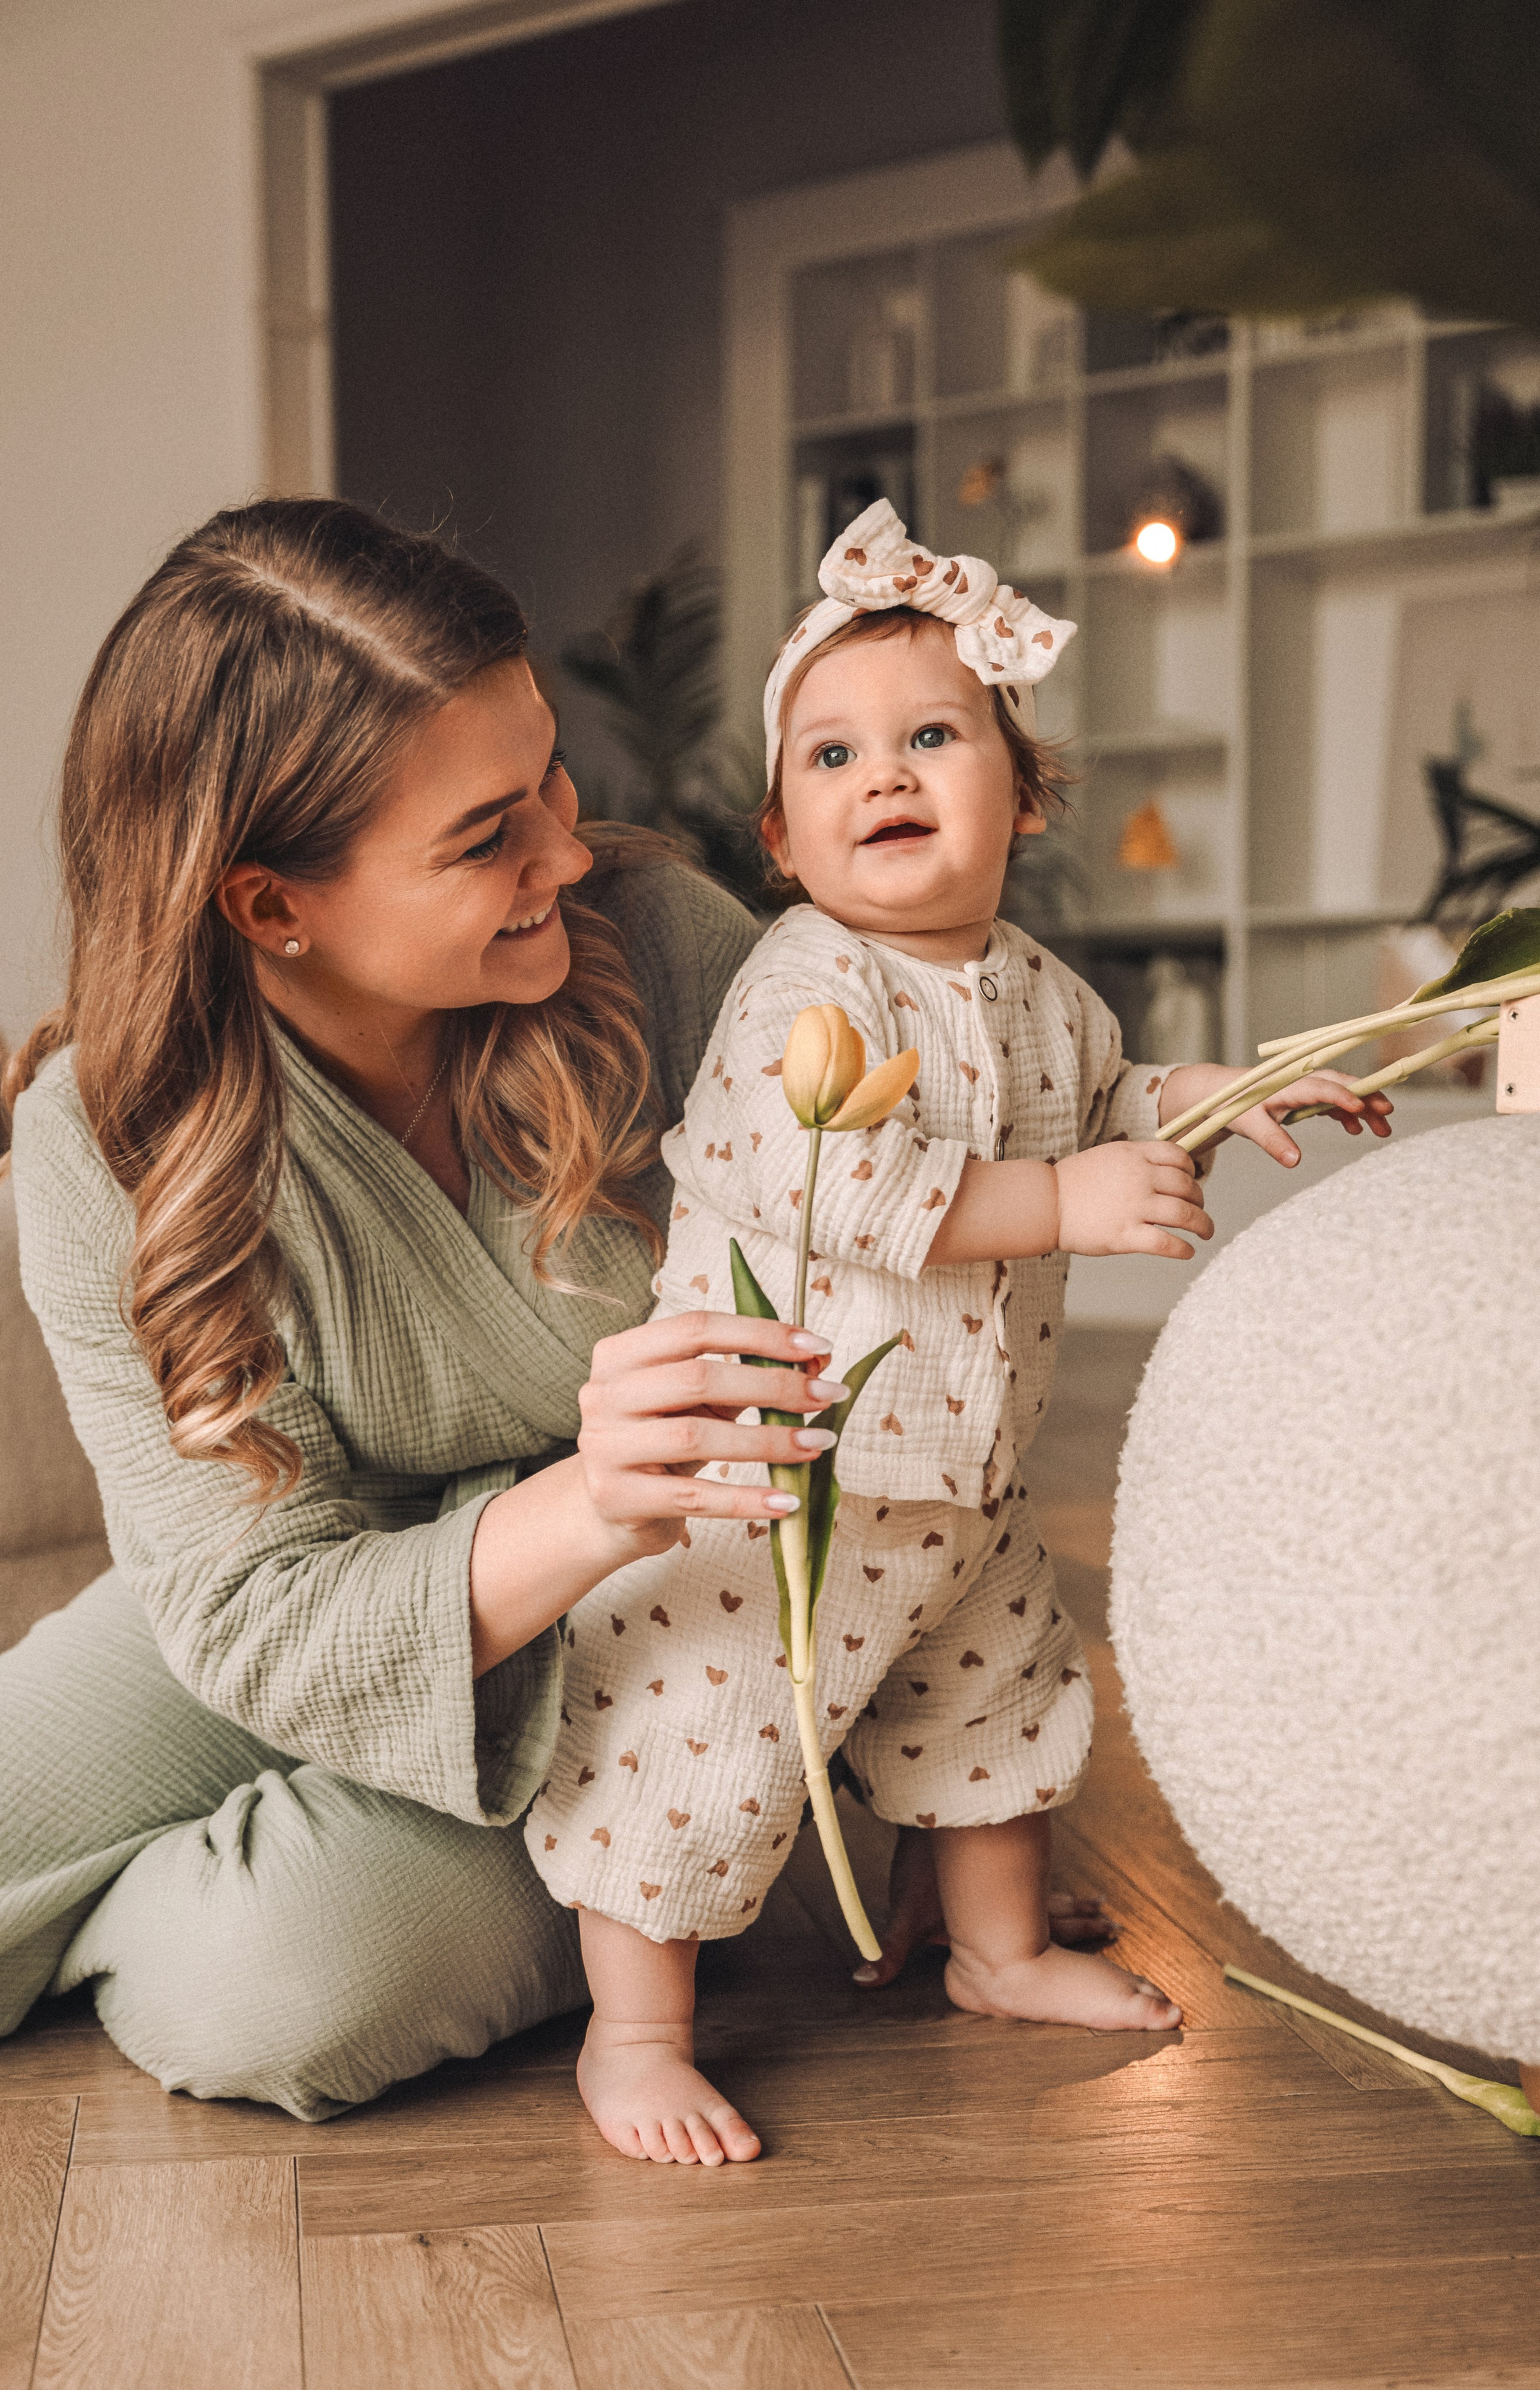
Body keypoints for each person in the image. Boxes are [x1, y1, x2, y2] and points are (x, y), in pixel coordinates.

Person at [0, 498, 875, 2123]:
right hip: (285, 1607)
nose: (566, 852)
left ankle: (95, 1903)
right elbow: (246, 1611)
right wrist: (583, 1495)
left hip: (659, 1643)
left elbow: (896, 1309)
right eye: (484, 837)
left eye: (548, 775)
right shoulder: (103, 1140)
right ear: (271, 906)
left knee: (268, 1993)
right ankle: (71, 1878)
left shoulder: (667, 953)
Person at [528, 499, 1393, 2167]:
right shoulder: (804, 987)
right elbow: (842, 1180)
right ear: (782, 838)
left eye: (931, 736)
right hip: (777, 1480)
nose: (885, 775)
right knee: (699, 1737)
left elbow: (1102, 1098)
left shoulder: (1043, 990)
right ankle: (632, 2036)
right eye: (833, 756)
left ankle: (995, 1953)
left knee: (998, 1711)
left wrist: (1212, 1097)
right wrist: (1063, 1203)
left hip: (966, 1480)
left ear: (1025, 793)